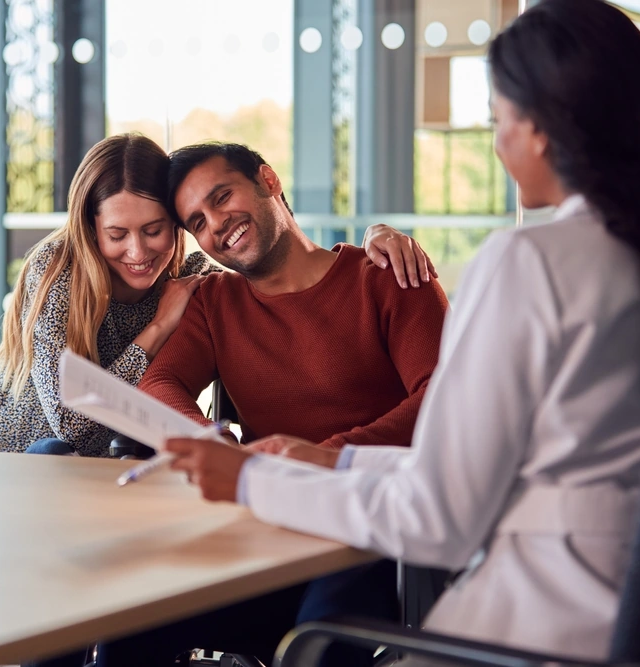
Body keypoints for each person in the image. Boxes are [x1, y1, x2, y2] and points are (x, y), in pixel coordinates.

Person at [165, 0, 640, 661]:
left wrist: (248, 478)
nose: (497, 143)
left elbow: (437, 517)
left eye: (499, 119)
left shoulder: (531, 261)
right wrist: (340, 457)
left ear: (542, 129)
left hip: (544, 625)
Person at [93, 144, 450, 667]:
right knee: (127, 624)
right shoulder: (214, 303)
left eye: (222, 197)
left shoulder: (388, 275)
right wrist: (209, 442)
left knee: (319, 645)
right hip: (265, 539)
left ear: (269, 180)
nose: (217, 224)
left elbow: (444, 404)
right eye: (198, 221)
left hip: (372, 536)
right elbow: (160, 381)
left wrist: (321, 458)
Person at [0, 133, 435, 457]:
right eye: (117, 235)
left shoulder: (198, 277)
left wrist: (380, 232)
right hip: (7, 463)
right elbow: (93, 415)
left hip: (358, 500)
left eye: (158, 229)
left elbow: (448, 399)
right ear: (92, 231)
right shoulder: (60, 276)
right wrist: (212, 438)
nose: (138, 251)